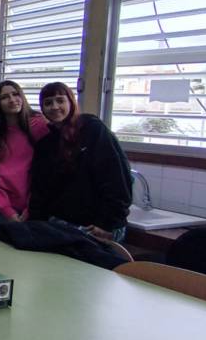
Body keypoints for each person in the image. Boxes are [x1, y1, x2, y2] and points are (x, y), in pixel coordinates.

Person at [29, 81, 132, 242]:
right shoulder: (45, 145)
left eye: (60, 100)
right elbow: (40, 190)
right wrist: (35, 224)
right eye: (48, 103)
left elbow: (116, 178)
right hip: (60, 223)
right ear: (42, 109)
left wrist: (107, 223)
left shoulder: (93, 129)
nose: (55, 107)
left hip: (97, 226)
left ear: (71, 102)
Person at [0, 80, 49, 224]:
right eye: (5, 97)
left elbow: (46, 172)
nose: (12, 100)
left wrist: (30, 208)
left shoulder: (39, 125)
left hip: (37, 203)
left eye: (15, 94)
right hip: (6, 207)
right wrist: (7, 211)